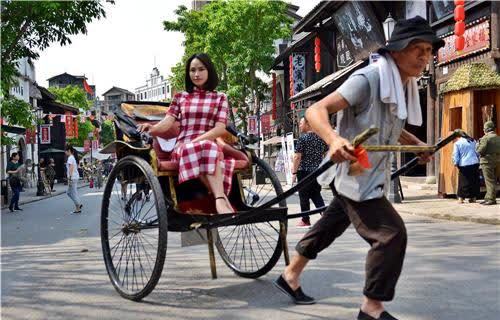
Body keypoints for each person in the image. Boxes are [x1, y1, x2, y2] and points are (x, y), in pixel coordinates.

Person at [274, 16, 442, 320]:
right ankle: (372, 307)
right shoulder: (369, 79)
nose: (424, 56)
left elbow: (389, 124)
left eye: (428, 50)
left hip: (369, 173)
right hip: (352, 174)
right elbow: (315, 110)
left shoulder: (402, 85)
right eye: (417, 48)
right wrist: (334, 138)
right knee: (390, 234)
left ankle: (290, 274)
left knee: (328, 228)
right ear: (396, 50)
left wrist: (416, 143)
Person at [138, 53, 234, 214]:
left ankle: (217, 198)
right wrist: (151, 128)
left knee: (208, 147)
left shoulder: (220, 98)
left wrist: (198, 141)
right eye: (192, 70)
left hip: (208, 145)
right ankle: (220, 198)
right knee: (206, 148)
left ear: (209, 70)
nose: (196, 74)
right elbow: (168, 122)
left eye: (201, 69)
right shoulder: (181, 97)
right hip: (183, 147)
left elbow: (219, 129)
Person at [292, 117, 328, 228]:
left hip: (304, 172)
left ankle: (305, 219)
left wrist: (294, 172)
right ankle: (325, 216)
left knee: (304, 196)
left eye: (301, 123)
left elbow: (297, 157)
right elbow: (326, 153)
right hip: (317, 171)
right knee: (316, 194)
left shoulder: (303, 139)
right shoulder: (321, 138)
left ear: (308, 124)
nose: (300, 125)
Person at [476, 121, 500, 205]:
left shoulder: (485, 138)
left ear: (486, 129)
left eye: (484, 128)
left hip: (487, 161)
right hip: (497, 161)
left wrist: (477, 145)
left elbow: (479, 150)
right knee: (493, 180)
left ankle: (490, 199)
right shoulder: (498, 137)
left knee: (489, 181)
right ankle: (489, 197)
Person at [452, 135, 480, 203]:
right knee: (474, 181)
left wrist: (455, 162)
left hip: (464, 163)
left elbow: (455, 154)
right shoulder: (473, 141)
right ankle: (473, 198)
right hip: (474, 162)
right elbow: (477, 152)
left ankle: (461, 198)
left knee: (463, 181)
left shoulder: (457, 143)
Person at [65, 145, 83, 213]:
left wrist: (69, 178)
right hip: (75, 177)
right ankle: (78, 207)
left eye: (66, 151)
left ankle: (78, 204)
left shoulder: (70, 158)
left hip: (72, 177)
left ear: (69, 151)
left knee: (70, 193)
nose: (65, 153)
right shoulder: (73, 157)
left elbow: (71, 168)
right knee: (73, 192)